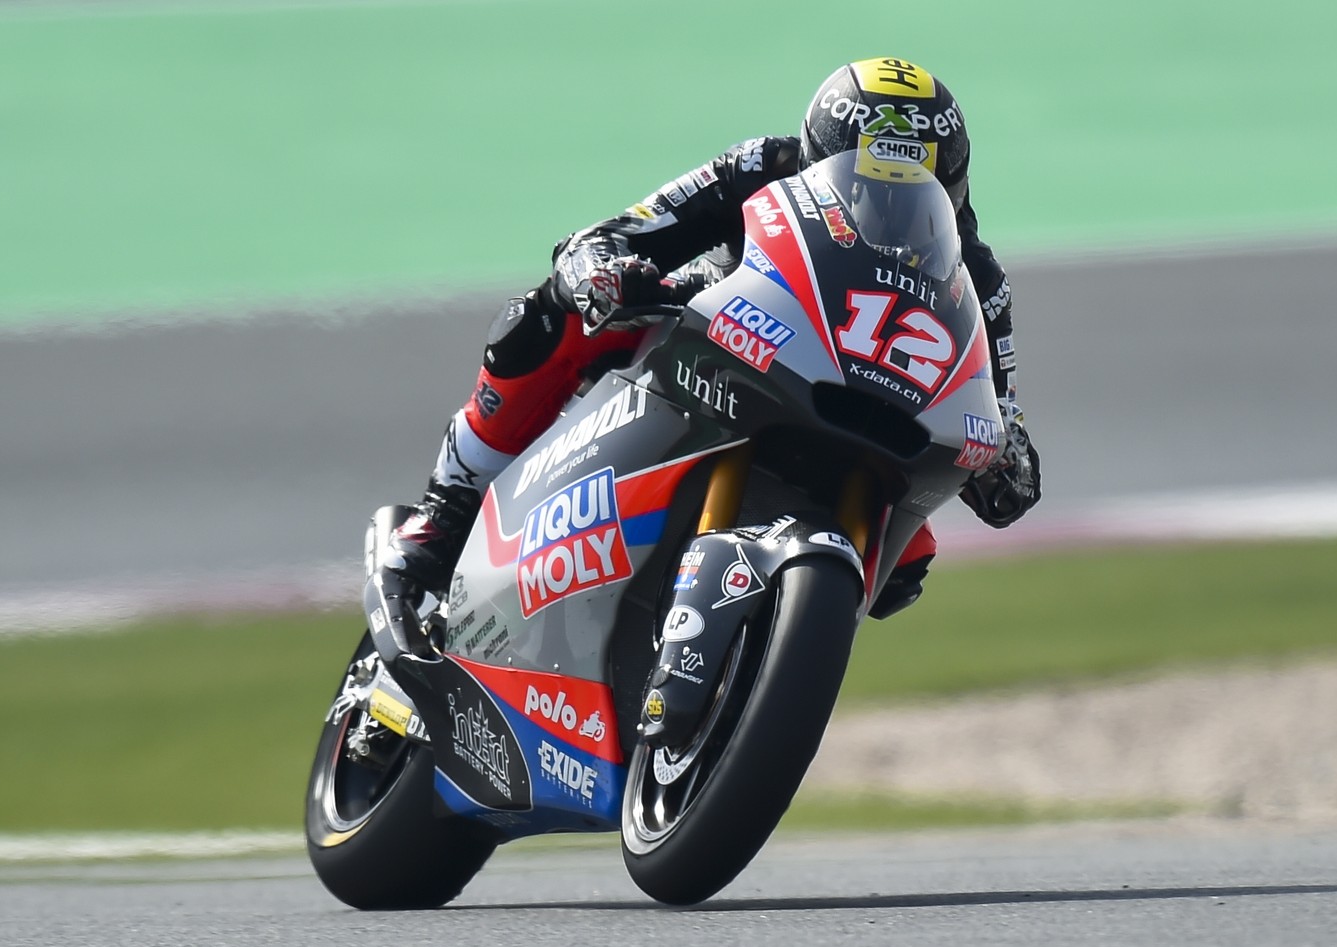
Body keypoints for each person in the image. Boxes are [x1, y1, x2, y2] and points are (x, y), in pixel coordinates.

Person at [381, 57, 1041, 618]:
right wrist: (603, 275)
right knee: (556, 315)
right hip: (714, 358)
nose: (890, 210)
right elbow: (608, 237)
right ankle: (450, 501)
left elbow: (997, 416)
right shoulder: (760, 165)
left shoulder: (977, 278)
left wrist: (1005, 460)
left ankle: (751, 672)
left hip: (858, 425)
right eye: (872, 188)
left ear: (952, 190)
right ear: (819, 163)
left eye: (912, 191)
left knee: (910, 560)